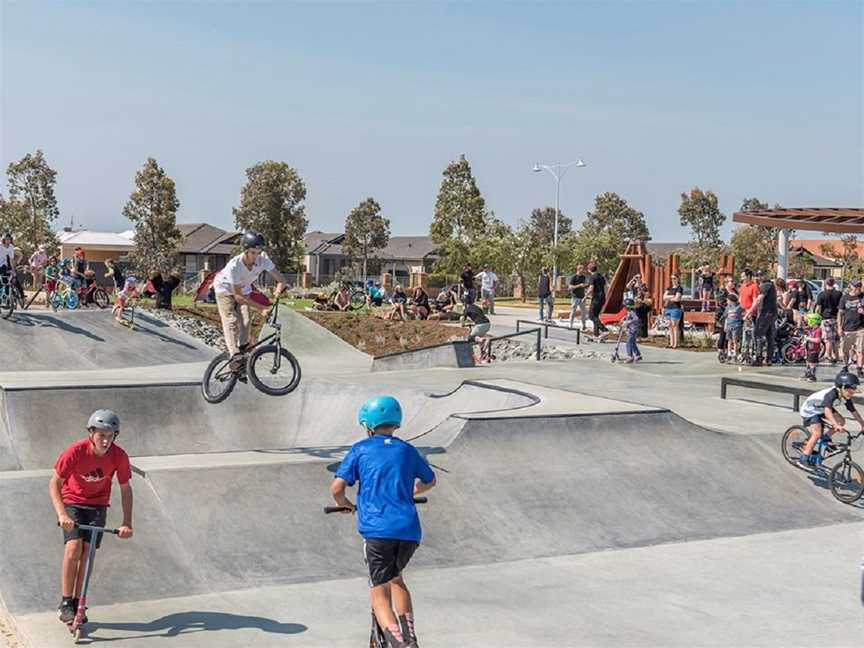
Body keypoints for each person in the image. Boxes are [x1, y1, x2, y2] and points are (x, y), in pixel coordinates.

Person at [330, 396, 436, 648]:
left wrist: (344, 504)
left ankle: (399, 644)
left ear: (368, 425)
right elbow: (430, 480)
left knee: (378, 591)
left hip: (378, 532)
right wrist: (406, 494)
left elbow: (336, 488)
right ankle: (410, 637)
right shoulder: (407, 450)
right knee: (396, 578)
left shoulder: (361, 449)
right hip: (409, 532)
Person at [49, 409, 133, 624]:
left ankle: (78, 601)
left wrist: (127, 522)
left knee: (87, 553)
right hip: (73, 502)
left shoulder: (119, 456)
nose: (105, 441)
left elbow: (125, 489)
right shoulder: (75, 451)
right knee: (73, 548)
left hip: (97, 506)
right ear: (91, 433)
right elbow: (55, 483)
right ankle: (66, 602)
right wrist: (61, 513)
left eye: (110, 435)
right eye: (101, 435)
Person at [212, 231, 287, 372]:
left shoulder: (263, 260)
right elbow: (238, 298)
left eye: (258, 252)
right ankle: (234, 353)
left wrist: (277, 293)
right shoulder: (235, 266)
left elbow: (281, 280)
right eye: (253, 253)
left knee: (246, 322)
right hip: (224, 289)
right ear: (246, 251)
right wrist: (261, 308)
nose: (256, 256)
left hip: (244, 289)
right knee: (231, 320)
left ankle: (242, 354)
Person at [797, 370, 864, 467]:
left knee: (842, 421)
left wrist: (862, 424)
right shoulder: (831, 394)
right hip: (810, 410)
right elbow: (827, 412)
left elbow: (853, 411)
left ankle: (824, 439)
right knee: (817, 433)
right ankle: (803, 458)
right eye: (851, 389)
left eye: (854, 389)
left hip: (821, 408)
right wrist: (835, 425)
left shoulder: (844, 395)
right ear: (842, 387)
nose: (853, 392)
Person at [747, 270, 778, 366]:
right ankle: (768, 359)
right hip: (771, 313)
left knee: (758, 334)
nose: (759, 277)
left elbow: (758, 300)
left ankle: (759, 358)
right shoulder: (770, 285)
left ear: (765, 275)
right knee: (769, 336)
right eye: (757, 275)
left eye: (761, 275)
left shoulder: (766, 285)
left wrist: (749, 311)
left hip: (767, 313)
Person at [837, 279, 864, 377]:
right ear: (851, 286)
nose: (858, 288)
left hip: (860, 328)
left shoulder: (862, 297)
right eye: (856, 286)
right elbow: (840, 313)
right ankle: (845, 367)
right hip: (847, 328)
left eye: (859, 286)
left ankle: (859, 369)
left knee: (861, 350)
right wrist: (839, 327)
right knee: (844, 350)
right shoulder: (844, 298)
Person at [816, 277, 842, 364]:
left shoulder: (821, 294)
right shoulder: (839, 294)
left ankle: (828, 356)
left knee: (828, 339)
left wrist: (817, 316)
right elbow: (841, 307)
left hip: (826, 318)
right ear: (834, 283)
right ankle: (837, 356)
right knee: (836, 339)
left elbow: (818, 308)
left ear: (825, 283)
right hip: (836, 318)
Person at [586, 261, 607, 338]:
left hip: (596, 298)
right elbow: (605, 287)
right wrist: (606, 296)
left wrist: (585, 297)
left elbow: (591, 288)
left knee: (591, 316)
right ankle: (596, 334)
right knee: (596, 316)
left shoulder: (592, 277)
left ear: (589, 270)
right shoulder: (601, 276)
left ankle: (604, 329)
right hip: (602, 298)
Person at [663, 274, 684, 349]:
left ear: (678, 279)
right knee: (669, 325)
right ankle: (671, 343)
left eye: (674, 278)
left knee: (675, 325)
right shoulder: (669, 288)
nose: (673, 280)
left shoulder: (679, 288)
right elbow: (664, 297)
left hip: (676, 308)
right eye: (672, 278)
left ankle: (675, 344)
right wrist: (672, 297)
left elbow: (677, 299)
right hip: (668, 308)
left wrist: (668, 298)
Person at [801, 313, 823, 382]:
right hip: (809, 349)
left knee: (812, 363)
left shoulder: (818, 330)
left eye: (809, 320)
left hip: (814, 350)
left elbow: (818, 340)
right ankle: (808, 373)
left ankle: (813, 376)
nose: (808, 322)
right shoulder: (812, 329)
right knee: (807, 361)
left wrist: (808, 338)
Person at [724, 293, 744, 361]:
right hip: (729, 325)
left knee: (735, 340)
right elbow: (726, 317)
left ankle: (735, 353)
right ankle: (729, 353)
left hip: (736, 326)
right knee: (729, 340)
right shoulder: (728, 307)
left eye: (728, 300)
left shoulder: (739, 307)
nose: (727, 301)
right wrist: (725, 326)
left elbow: (743, 313)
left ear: (731, 300)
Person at [568, 264, 588, 330]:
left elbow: (585, 285)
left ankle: (584, 325)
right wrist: (579, 285)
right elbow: (570, 287)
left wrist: (585, 286)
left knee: (584, 312)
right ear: (578, 269)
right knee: (573, 311)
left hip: (582, 297)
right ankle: (570, 324)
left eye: (583, 269)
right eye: (582, 269)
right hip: (575, 297)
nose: (583, 270)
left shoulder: (583, 277)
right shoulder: (574, 277)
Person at [622, 299, 641, 363]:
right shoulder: (629, 312)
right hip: (631, 329)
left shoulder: (632, 312)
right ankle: (638, 355)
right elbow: (628, 317)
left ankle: (630, 356)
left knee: (628, 343)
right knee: (632, 343)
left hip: (633, 330)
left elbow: (636, 319)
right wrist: (624, 318)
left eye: (625, 306)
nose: (624, 308)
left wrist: (628, 322)